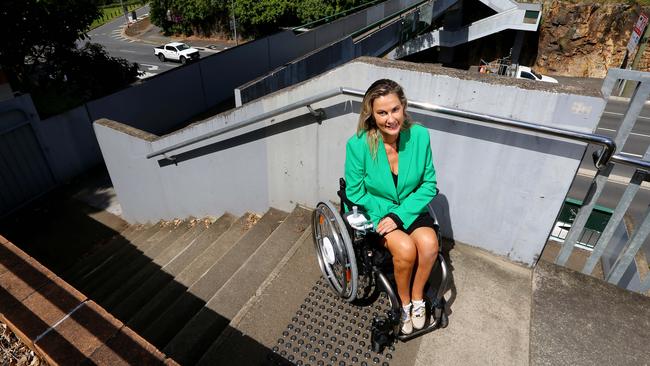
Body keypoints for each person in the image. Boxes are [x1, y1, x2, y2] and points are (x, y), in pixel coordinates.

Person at [344, 79, 439, 335]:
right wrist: (386, 213)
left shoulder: (420, 136)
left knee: (430, 246)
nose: (390, 119)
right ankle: (404, 302)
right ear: (372, 115)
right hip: (377, 211)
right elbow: (354, 191)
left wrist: (401, 213)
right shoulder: (358, 145)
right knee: (406, 250)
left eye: (394, 110)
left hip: (409, 207)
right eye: (382, 113)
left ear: (403, 106)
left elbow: (429, 185)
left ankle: (418, 298)